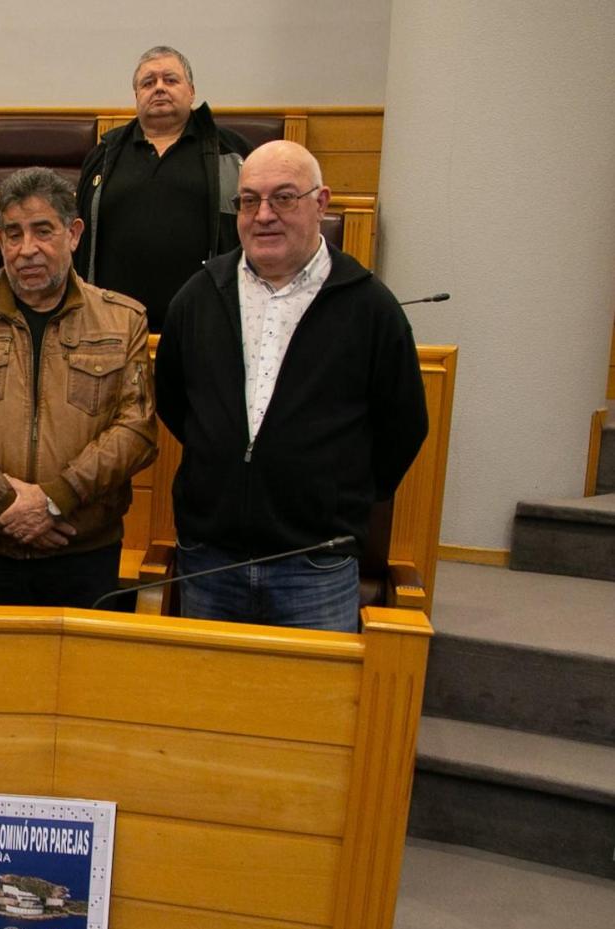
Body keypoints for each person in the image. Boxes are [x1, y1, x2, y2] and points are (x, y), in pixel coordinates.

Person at [155, 141, 428, 633]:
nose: (263, 215)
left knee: (313, 709)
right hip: (210, 559)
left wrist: (334, 499)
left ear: (321, 203)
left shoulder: (371, 308)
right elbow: (176, 403)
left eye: (283, 198)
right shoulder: (198, 297)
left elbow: (403, 427)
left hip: (315, 566)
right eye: (249, 200)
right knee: (209, 706)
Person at [0, 168, 157, 607]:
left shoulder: (123, 321)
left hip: (84, 551)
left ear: (73, 233)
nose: (26, 249)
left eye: (42, 231)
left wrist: (54, 500)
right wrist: (9, 503)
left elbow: (136, 432)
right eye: (14, 234)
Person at [74, 46, 252, 331]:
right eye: (148, 82)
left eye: (170, 80)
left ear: (191, 91)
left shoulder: (232, 152)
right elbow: (80, 242)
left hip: (204, 323)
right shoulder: (104, 155)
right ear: (136, 96)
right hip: (112, 328)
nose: (159, 88)